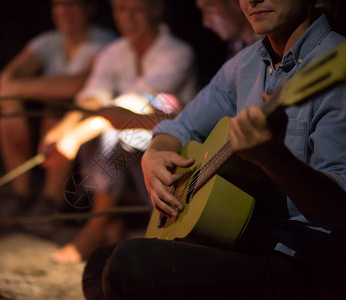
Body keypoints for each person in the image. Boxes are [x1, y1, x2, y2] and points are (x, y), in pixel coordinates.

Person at [82, 0, 346, 299]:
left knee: (130, 265)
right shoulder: (246, 63)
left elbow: (337, 211)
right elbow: (180, 126)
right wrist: (155, 153)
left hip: (304, 260)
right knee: (100, 263)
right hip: (244, 236)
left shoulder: (336, 62)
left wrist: (274, 159)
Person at [43, 0, 198, 264]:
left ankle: (95, 228)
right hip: (126, 160)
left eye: (136, 9)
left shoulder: (177, 52)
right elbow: (92, 97)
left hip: (172, 151)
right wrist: (61, 130)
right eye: (120, 9)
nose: (128, 17)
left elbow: (135, 103)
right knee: (101, 127)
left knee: (116, 131)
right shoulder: (114, 52)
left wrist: (75, 136)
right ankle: (110, 221)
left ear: (156, 9)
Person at [0, 0, 115, 211]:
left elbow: (79, 85)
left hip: (92, 121)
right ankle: (20, 194)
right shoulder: (48, 42)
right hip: (53, 117)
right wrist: (13, 105)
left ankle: (51, 200)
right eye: (58, 5)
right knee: (8, 113)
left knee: (58, 115)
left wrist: (19, 89)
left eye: (72, 5)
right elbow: (6, 79)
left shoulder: (104, 43)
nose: (63, 12)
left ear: (89, 8)